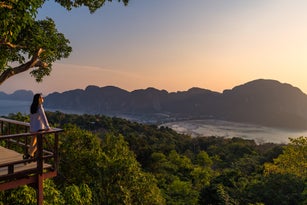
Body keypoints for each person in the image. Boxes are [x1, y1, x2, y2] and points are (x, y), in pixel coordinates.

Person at [23, 93, 51, 159]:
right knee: (39, 143)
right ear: (39, 99)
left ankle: (30, 155)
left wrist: (31, 127)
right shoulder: (40, 106)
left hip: (33, 128)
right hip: (39, 128)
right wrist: (47, 127)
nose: (42, 98)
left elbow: (31, 119)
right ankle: (29, 154)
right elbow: (43, 117)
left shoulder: (32, 106)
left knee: (32, 142)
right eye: (41, 97)